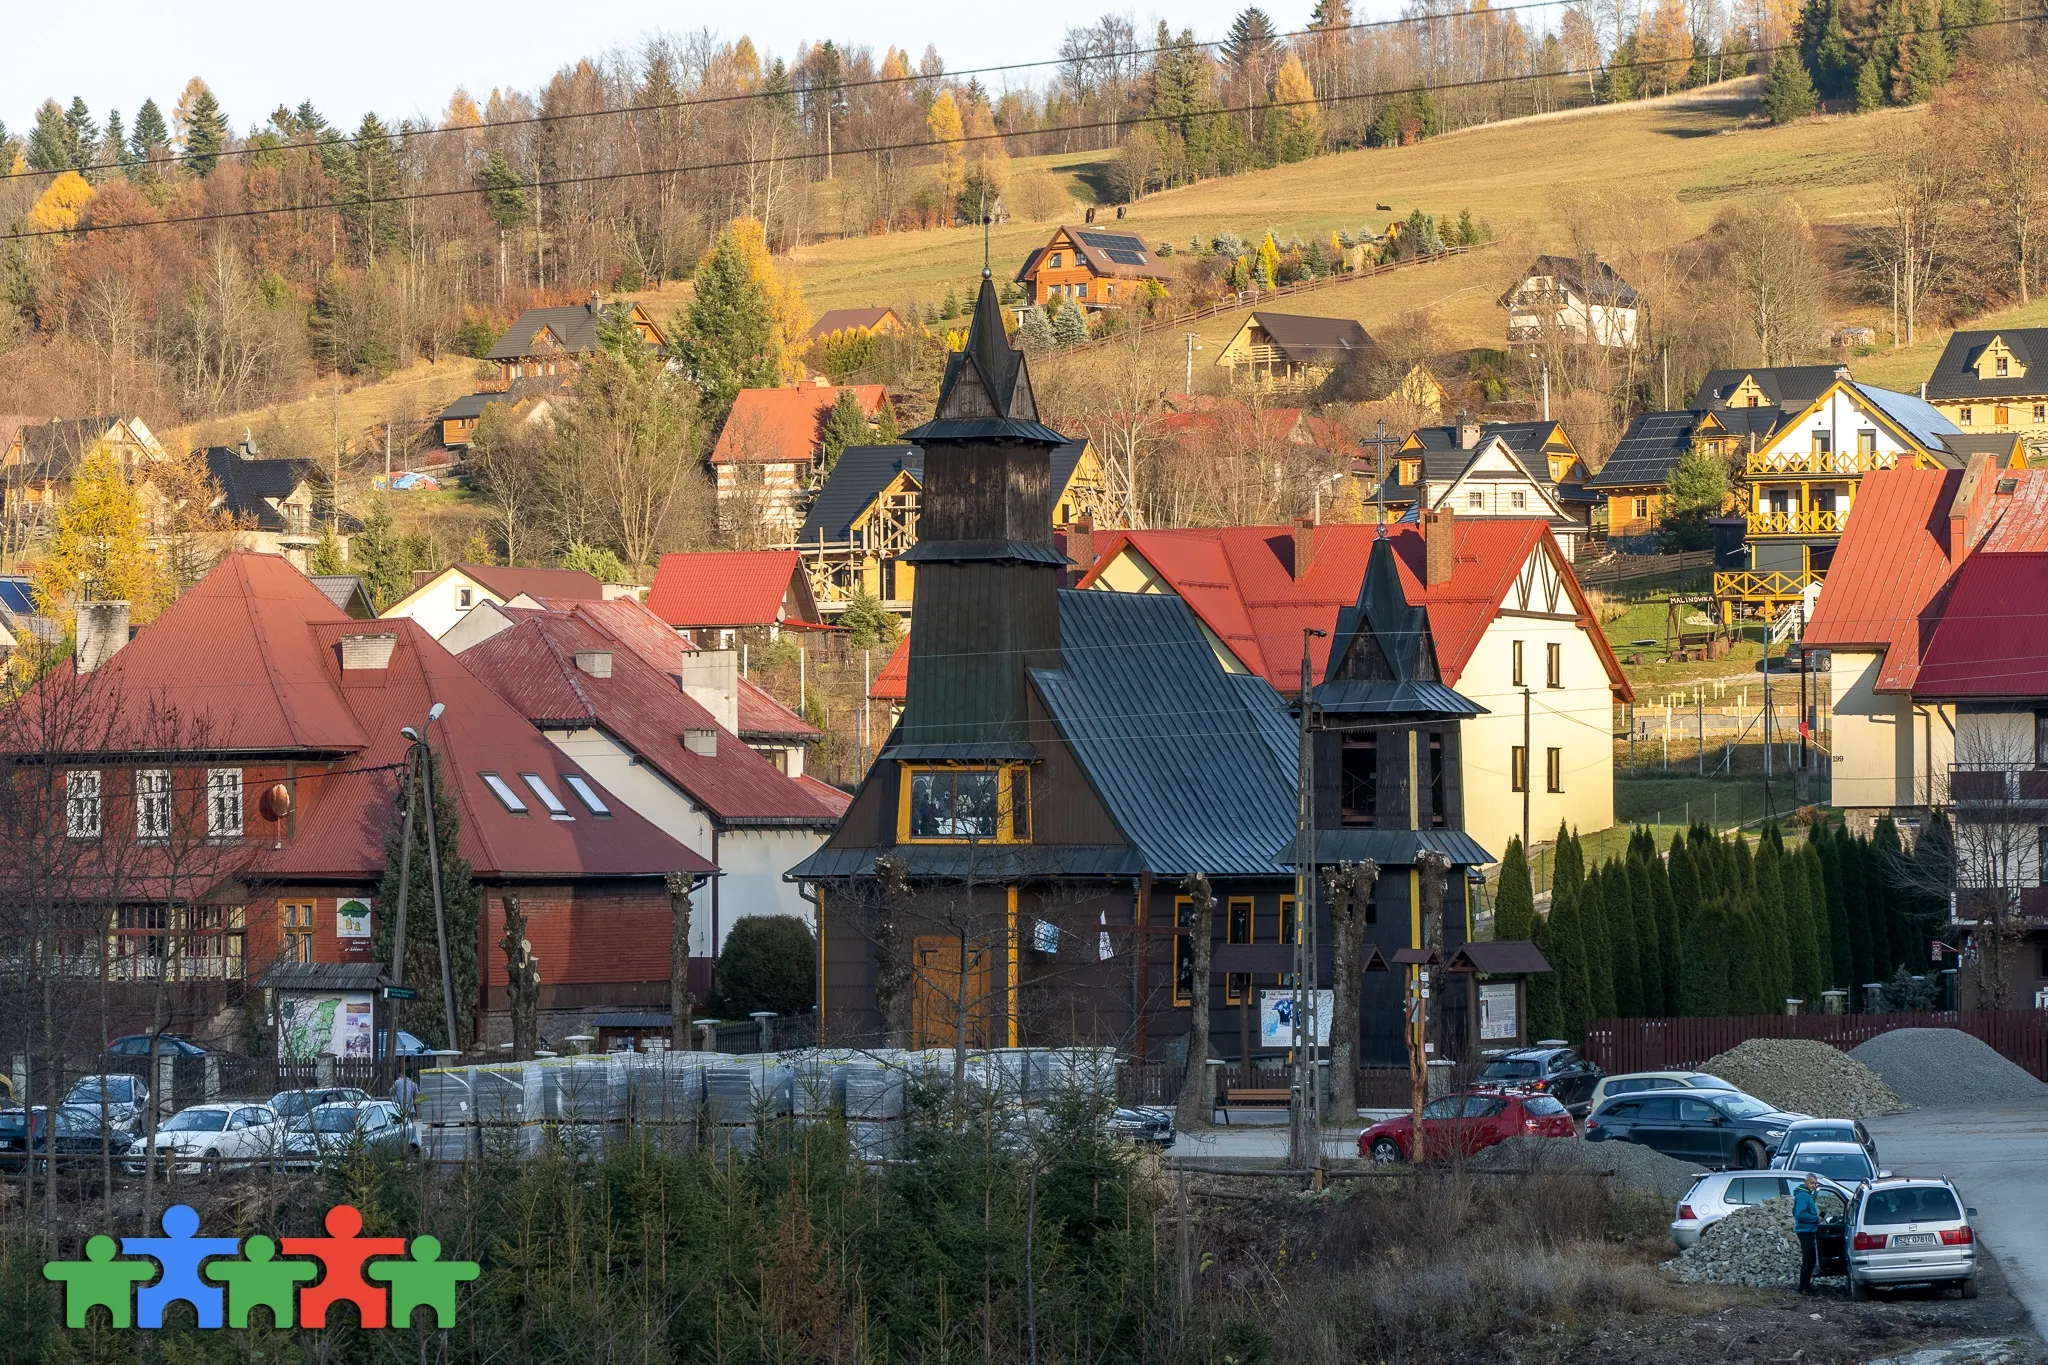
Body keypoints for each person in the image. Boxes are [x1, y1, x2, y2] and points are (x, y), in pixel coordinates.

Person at [1793, 1173, 1821, 1293]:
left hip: (1808, 1230)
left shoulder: (1806, 1195)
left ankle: (1806, 1285)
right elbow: (1800, 1214)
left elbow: (1794, 1211)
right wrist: (1816, 1219)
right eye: (1811, 1183)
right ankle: (1804, 1287)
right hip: (1805, 1231)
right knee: (1809, 1259)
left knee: (1810, 1258)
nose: (1814, 1185)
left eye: (1815, 1183)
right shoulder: (1803, 1196)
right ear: (1805, 1183)